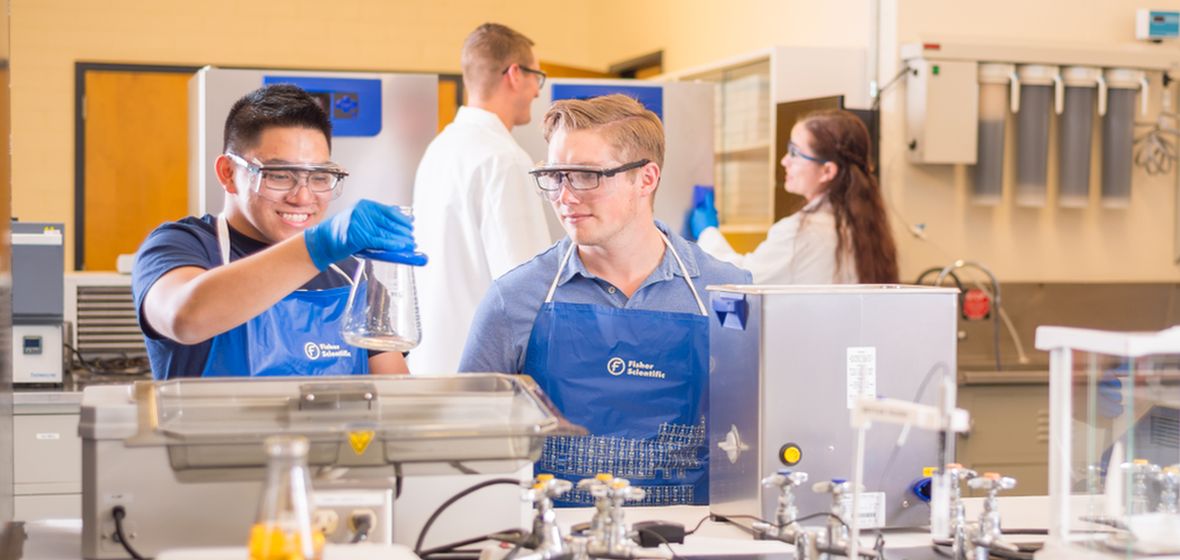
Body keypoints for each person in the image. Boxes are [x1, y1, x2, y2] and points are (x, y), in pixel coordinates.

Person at [459, 94, 751, 506]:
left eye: (585, 175)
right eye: (556, 175)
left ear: (646, 179)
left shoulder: (725, 293)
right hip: (557, 542)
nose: (565, 196)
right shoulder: (515, 299)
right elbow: (468, 446)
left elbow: (757, 429)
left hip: (693, 539)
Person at [133, 84, 425, 380]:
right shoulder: (182, 246)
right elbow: (184, 318)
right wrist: (318, 246)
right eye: (280, 175)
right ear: (228, 173)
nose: (302, 197)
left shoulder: (354, 271)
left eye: (320, 176)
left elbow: (394, 393)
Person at [410, 23, 553, 374]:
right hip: (482, 376)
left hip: (430, 366)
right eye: (537, 77)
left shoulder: (440, 148)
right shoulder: (504, 159)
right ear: (515, 74)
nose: (538, 90)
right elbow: (526, 291)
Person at [690, 109, 899, 284]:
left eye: (795, 153)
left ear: (827, 171)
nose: (784, 161)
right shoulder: (863, 227)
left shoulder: (801, 232)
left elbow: (741, 279)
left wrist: (707, 233)